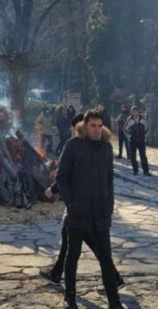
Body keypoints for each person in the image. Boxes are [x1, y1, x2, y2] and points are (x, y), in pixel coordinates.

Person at [40, 113, 124, 290]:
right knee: (69, 242)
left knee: (92, 245)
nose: (96, 130)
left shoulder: (95, 146)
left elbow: (95, 178)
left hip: (87, 208)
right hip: (77, 206)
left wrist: (60, 195)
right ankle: (57, 273)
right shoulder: (74, 145)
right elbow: (67, 176)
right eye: (93, 126)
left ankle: (113, 277)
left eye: (99, 126)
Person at [124, 106, 151, 176]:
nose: (135, 113)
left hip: (141, 140)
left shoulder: (143, 119)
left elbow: (147, 128)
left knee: (143, 156)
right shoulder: (129, 119)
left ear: (138, 112)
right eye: (133, 111)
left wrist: (145, 136)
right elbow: (125, 129)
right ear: (131, 112)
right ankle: (135, 170)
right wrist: (129, 137)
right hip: (132, 141)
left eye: (136, 111)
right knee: (133, 156)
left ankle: (146, 171)